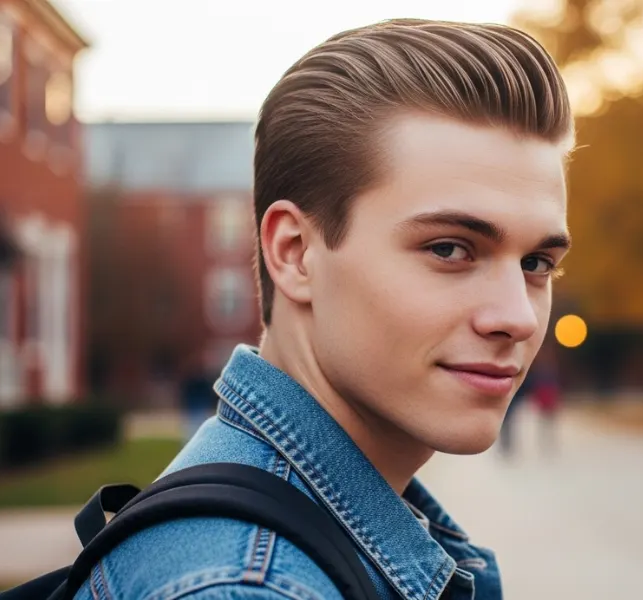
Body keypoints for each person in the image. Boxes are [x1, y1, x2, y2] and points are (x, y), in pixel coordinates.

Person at [73, 18, 574, 600]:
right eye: (449, 249)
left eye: (537, 263)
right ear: (295, 253)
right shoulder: (252, 589)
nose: (518, 316)